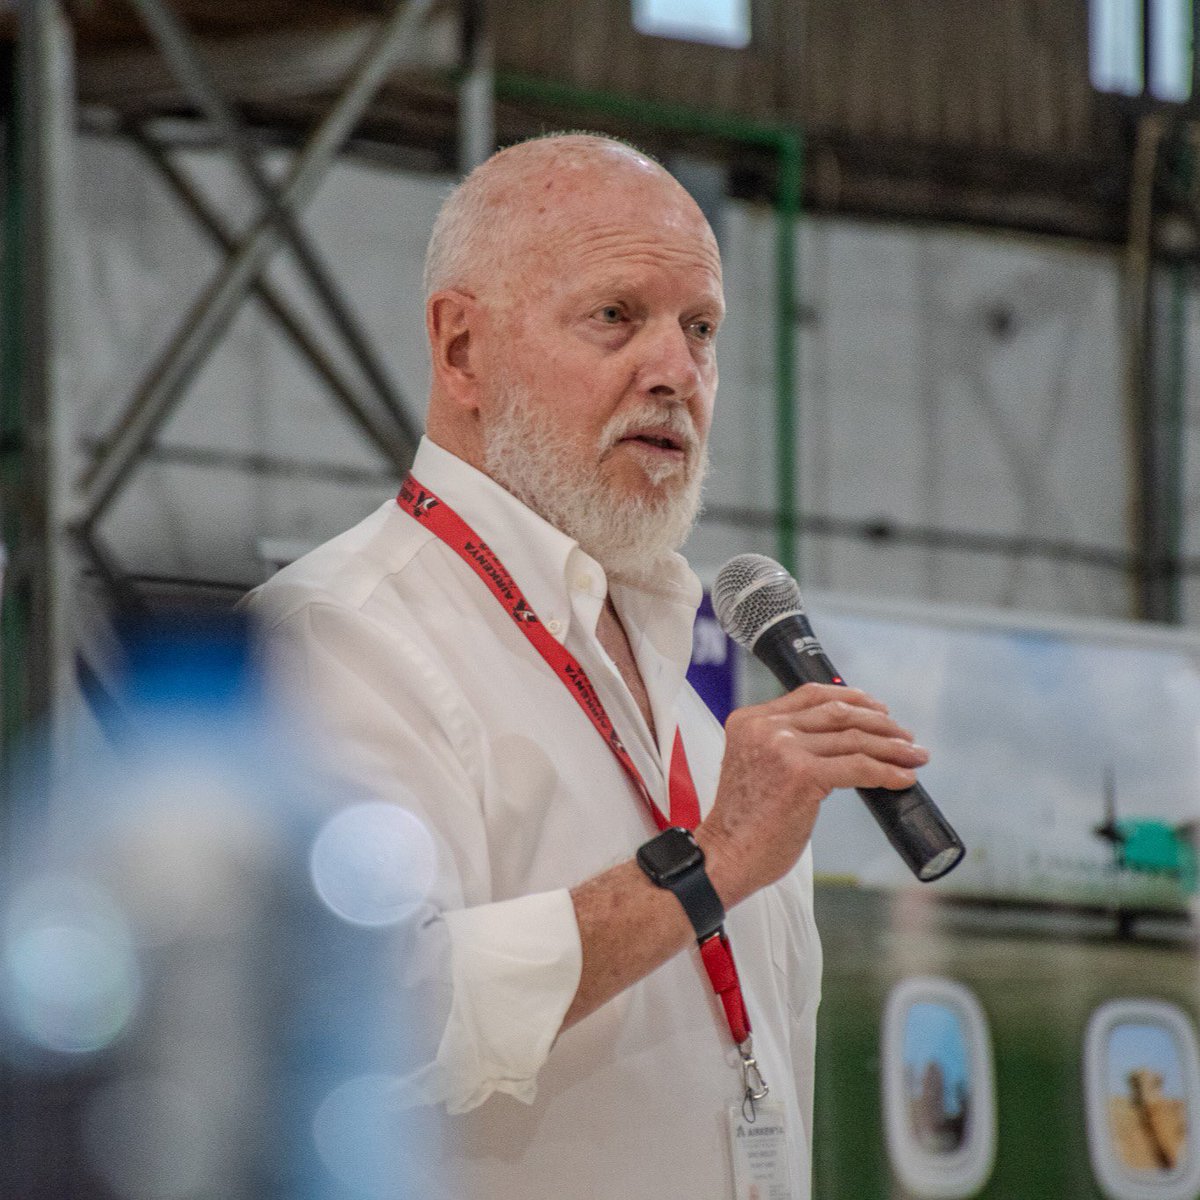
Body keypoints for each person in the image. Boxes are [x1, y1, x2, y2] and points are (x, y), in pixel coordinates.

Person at [249, 132, 928, 1199]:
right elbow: (362, 1006)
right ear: (462, 349)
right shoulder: (336, 635)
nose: (675, 372)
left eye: (699, 328)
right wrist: (711, 859)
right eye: (616, 317)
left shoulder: (697, 638)